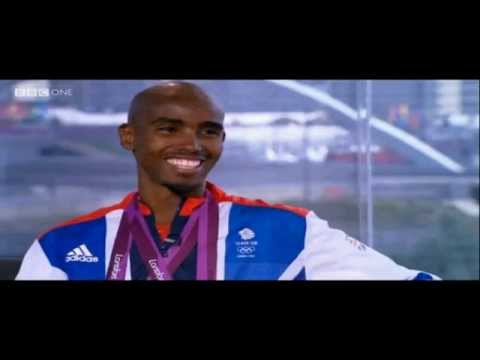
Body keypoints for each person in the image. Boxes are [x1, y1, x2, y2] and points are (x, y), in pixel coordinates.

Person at [16, 81, 439, 280]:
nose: (193, 144)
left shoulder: (289, 231)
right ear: (129, 136)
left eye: (209, 131)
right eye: (169, 128)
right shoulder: (63, 250)